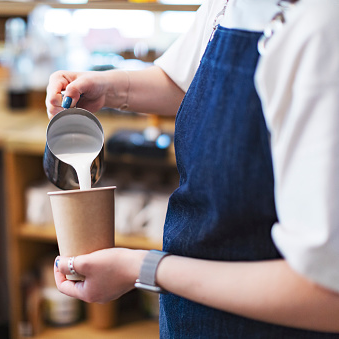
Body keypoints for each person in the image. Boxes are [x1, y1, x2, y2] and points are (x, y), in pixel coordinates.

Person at [45, 0, 339, 337]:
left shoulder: (323, 26)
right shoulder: (229, 4)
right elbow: (186, 81)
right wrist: (109, 88)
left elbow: (326, 292)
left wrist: (141, 268)